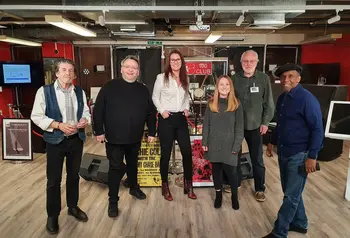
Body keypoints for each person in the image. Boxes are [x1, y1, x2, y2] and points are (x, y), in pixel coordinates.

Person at [263, 63, 323, 238]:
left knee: (290, 196)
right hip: (283, 152)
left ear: (298, 78)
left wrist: (312, 156)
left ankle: (279, 232)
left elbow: (317, 129)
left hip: (300, 154)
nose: (285, 80)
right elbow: (280, 124)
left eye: (290, 76)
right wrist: (271, 142)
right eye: (283, 77)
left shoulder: (307, 99)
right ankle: (300, 223)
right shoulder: (282, 98)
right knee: (291, 192)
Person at [31, 59, 91, 234]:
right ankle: (53, 215)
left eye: (71, 70)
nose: (68, 73)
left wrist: (84, 120)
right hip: (55, 141)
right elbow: (36, 116)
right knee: (53, 181)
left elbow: (86, 111)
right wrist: (57, 125)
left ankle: (72, 207)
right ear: (56, 73)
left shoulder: (79, 92)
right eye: (64, 70)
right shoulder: (44, 91)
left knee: (73, 176)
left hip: (75, 140)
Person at [93, 55, 156, 218]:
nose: (131, 70)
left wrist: (152, 132)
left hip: (135, 137)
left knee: (133, 165)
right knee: (115, 169)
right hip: (114, 138)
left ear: (138, 72)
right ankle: (113, 201)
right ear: (121, 69)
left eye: (134, 68)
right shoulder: (109, 86)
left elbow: (150, 113)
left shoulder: (143, 89)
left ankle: (134, 188)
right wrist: (98, 131)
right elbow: (98, 110)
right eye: (128, 67)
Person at [152, 49, 197, 201]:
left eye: (178, 59)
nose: (176, 62)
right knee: (165, 155)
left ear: (182, 62)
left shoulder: (186, 78)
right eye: (173, 60)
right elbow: (155, 97)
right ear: (168, 62)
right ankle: (165, 186)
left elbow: (186, 98)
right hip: (167, 119)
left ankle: (188, 184)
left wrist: (186, 108)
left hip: (181, 120)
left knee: (187, 153)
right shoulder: (161, 77)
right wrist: (162, 111)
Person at [232, 50, 275, 202]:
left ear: (257, 62)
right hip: (236, 125)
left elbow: (268, 103)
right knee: (234, 156)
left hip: (256, 125)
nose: (248, 64)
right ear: (241, 62)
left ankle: (259, 188)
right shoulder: (234, 78)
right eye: (245, 61)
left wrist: (265, 122)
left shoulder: (263, 79)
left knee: (257, 159)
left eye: (251, 61)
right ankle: (235, 183)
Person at [202, 75, 244, 210]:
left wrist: (236, 146)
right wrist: (205, 141)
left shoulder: (236, 104)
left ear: (230, 87)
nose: (224, 87)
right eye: (221, 84)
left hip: (230, 145)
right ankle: (218, 195)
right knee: (216, 172)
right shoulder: (211, 104)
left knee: (232, 173)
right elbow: (206, 125)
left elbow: (239, 127)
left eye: (227, 84)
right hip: (214, 144)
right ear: (217, 87)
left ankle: (234, 196)